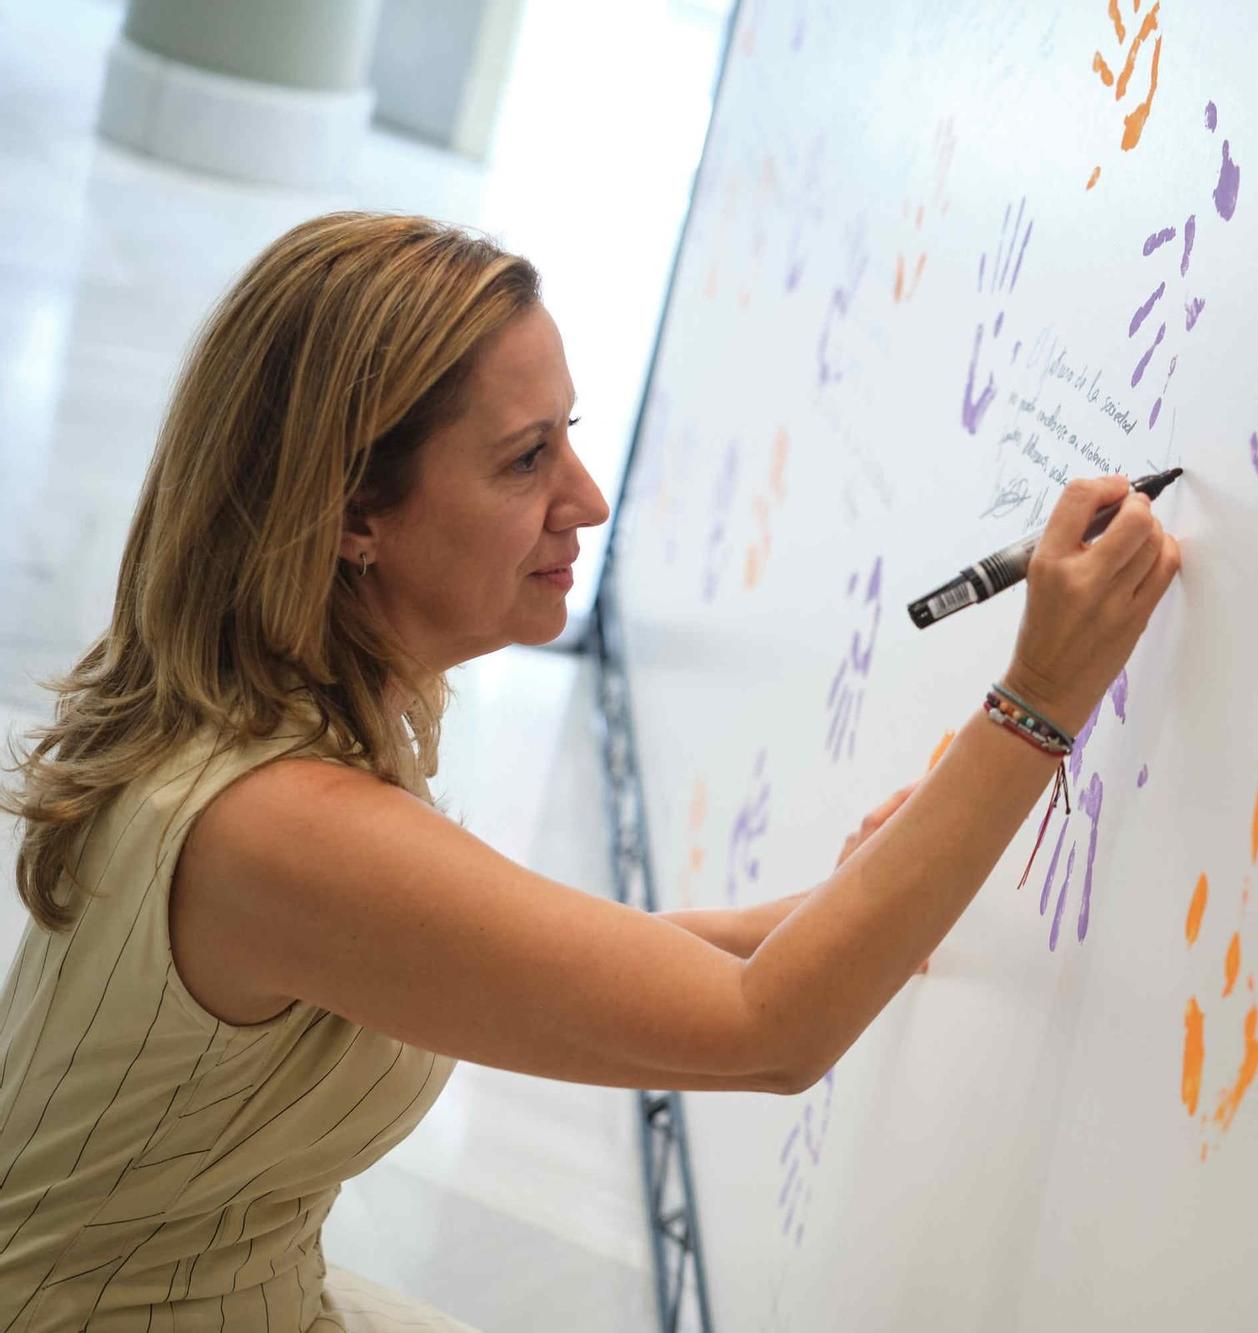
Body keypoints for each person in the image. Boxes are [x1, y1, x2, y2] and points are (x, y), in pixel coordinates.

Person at [0, 212, 1180, 1330]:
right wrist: (1038, 703)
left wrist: (828, 910)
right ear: (353, 512)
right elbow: (767, 1034)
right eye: (524, 460)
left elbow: (518, 946)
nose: (590, 499)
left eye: (568, 432)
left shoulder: (286, 707)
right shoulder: (281, 824)